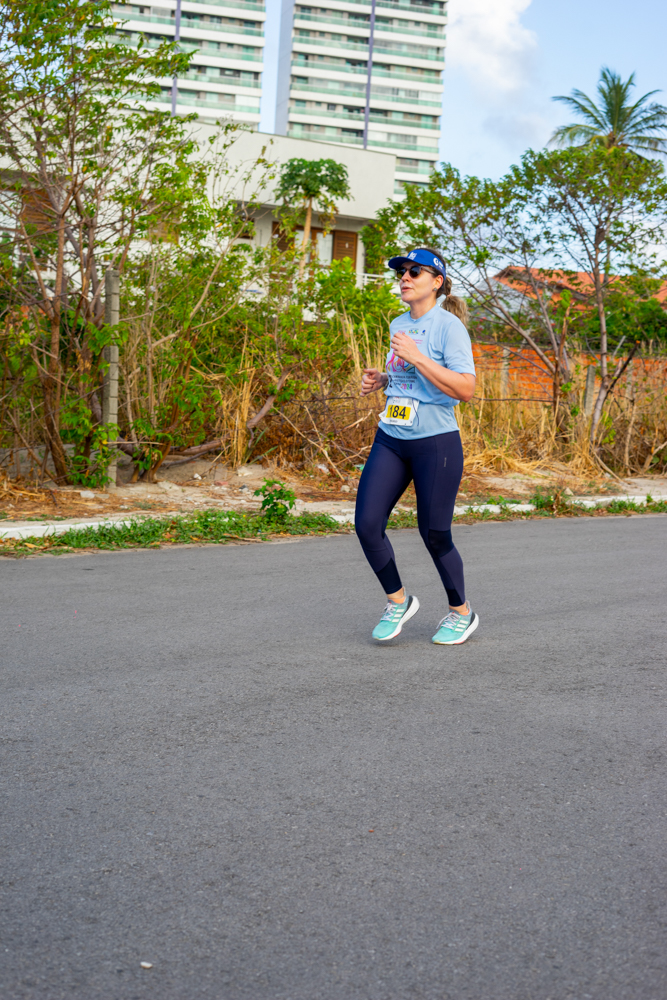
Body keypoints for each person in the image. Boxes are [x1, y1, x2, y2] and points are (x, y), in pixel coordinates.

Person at [355, 247, 479, 645]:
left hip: (436, 443)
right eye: (401, 272)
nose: (404, 277)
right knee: (367, 524)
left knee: (435, 533)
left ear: (436, 282)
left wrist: (418, 357)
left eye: (414, 272)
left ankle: (461, 612)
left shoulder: (449, 327)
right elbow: (409, 381)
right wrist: (383, 381)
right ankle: (398, 601)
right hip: (392, 436)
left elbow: (466, 389)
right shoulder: (398, 322)